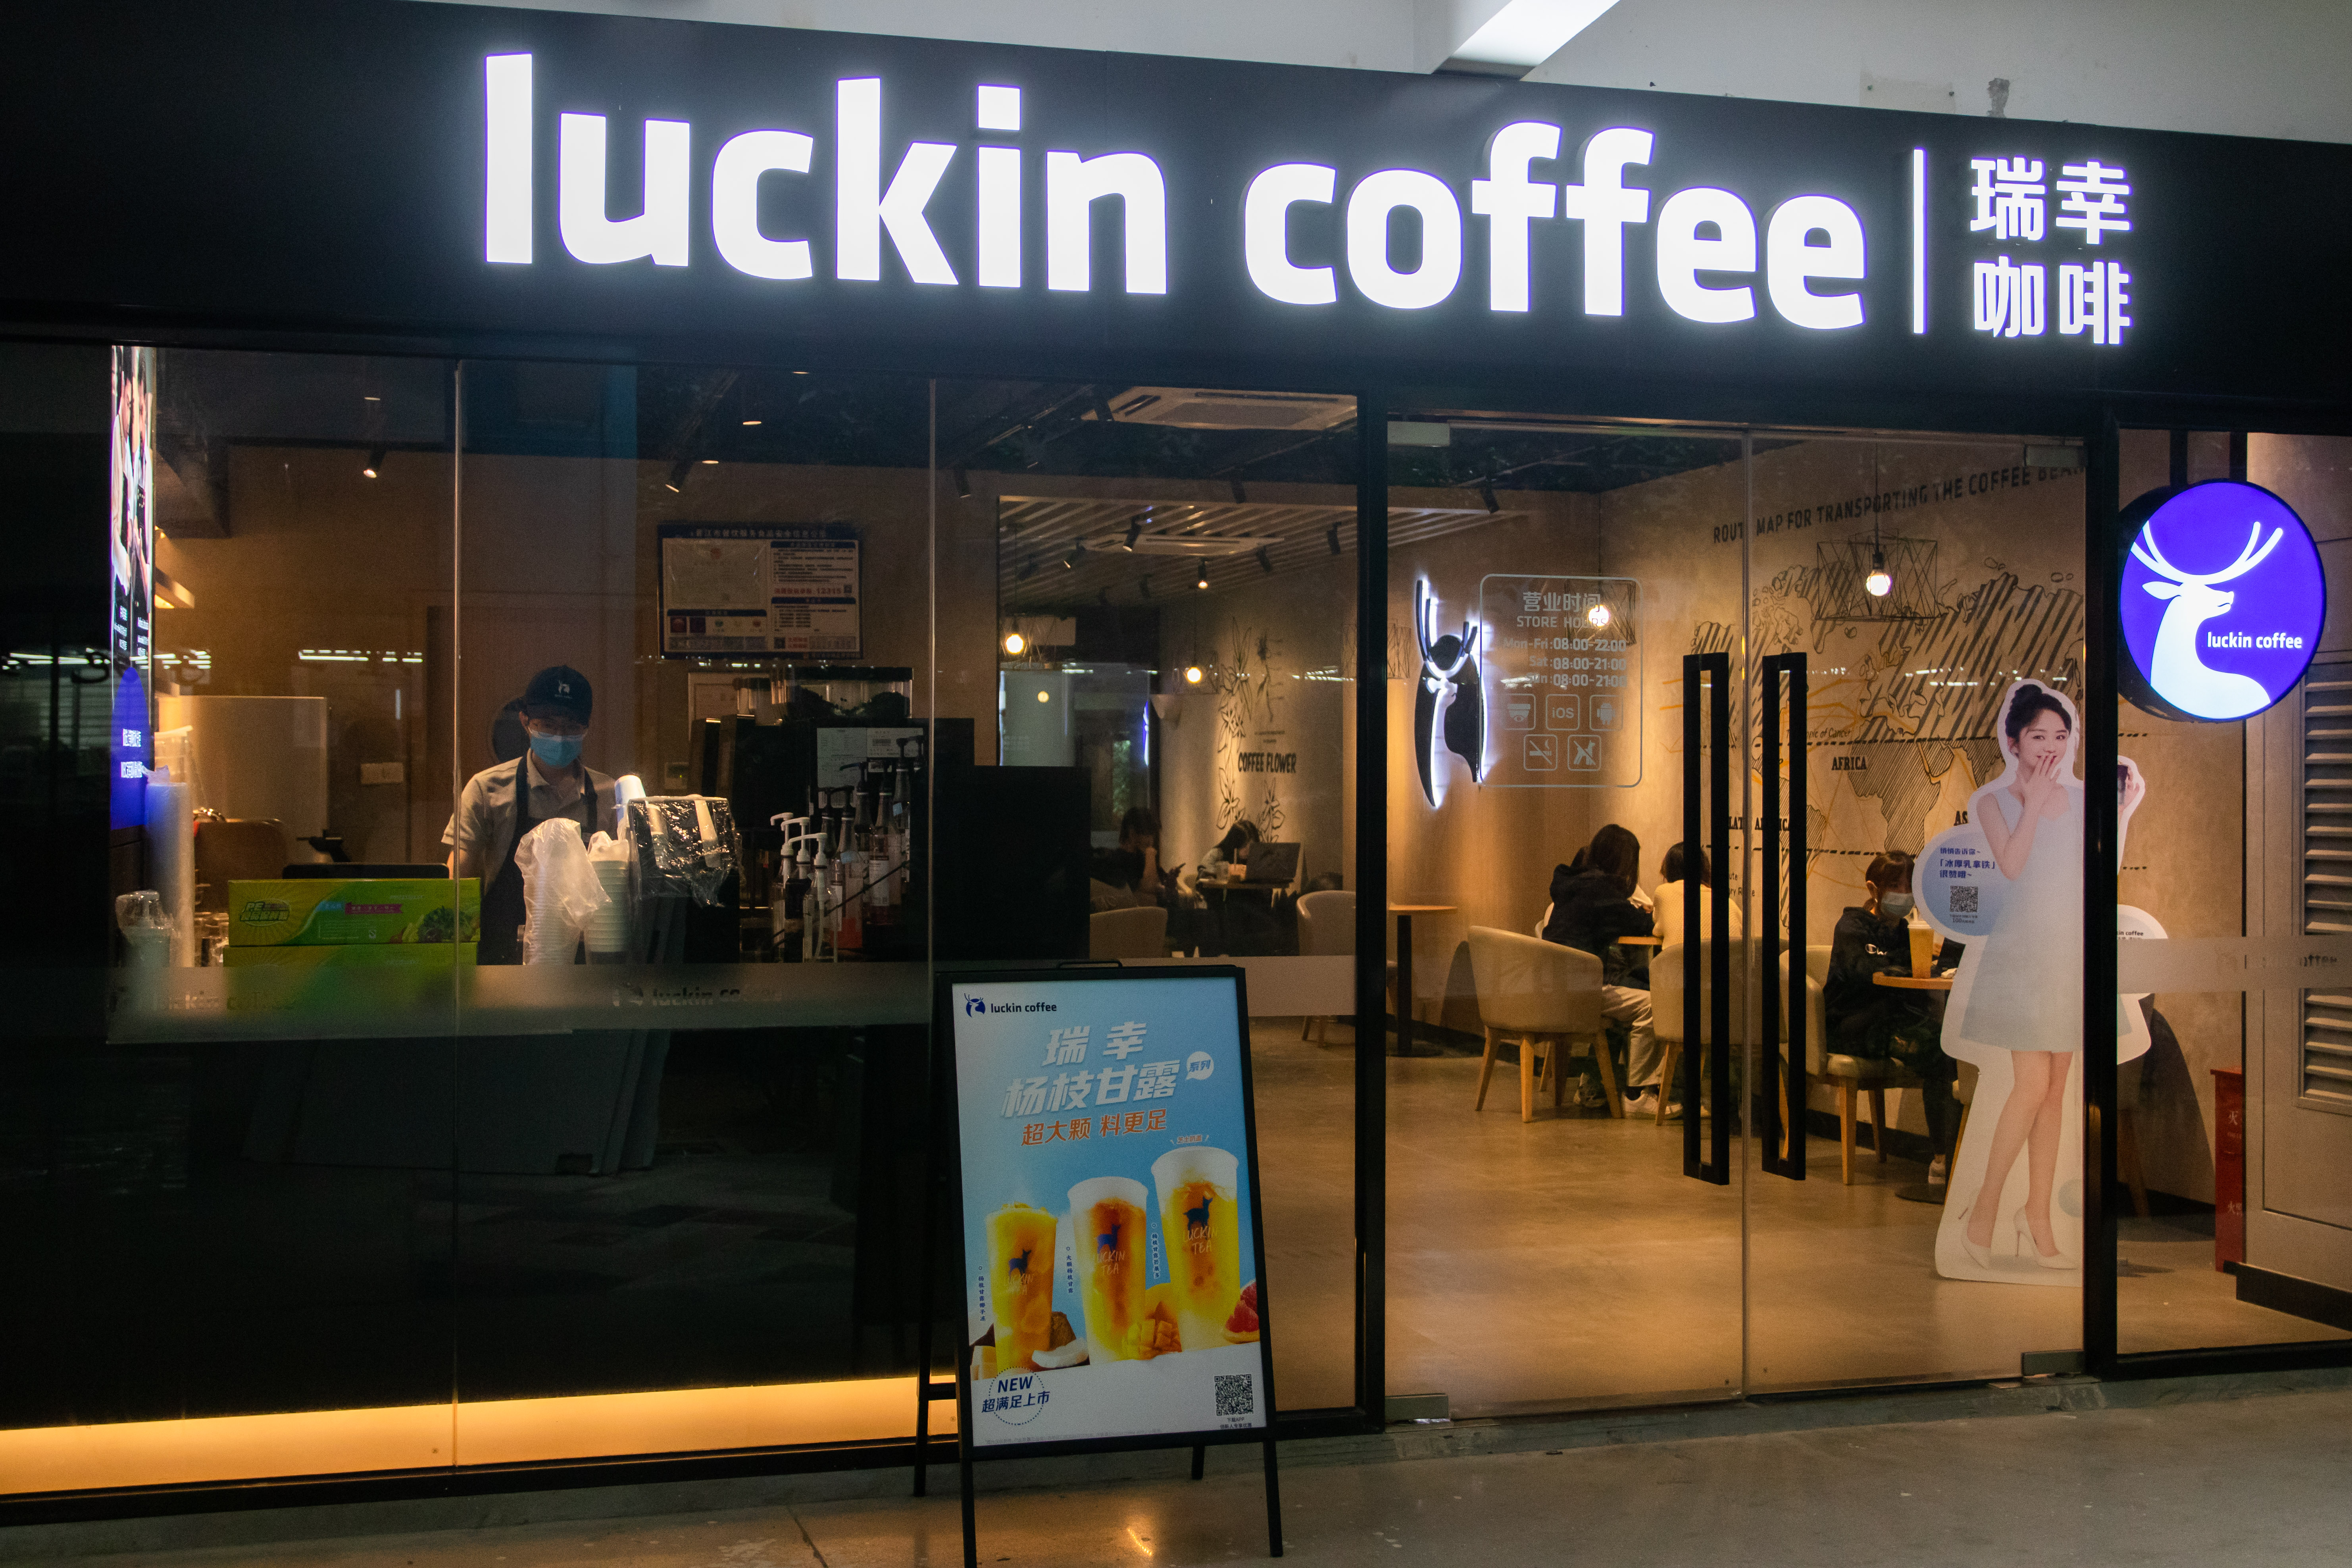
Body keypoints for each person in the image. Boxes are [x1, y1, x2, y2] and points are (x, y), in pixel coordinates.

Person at [1948, 681, 2128, 1269]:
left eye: (2059, 735)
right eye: (2037, 737)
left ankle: (2036, 1216)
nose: (2051, 746)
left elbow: (2096, 875)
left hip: (2069, 952)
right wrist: (2031, 802)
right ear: (2013, 742)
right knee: (2030, 1085)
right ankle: (1983, 1213)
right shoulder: (1993, 802)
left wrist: (2120, 813)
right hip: (2023, 956)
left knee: (2054, 1091)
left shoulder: (2080, 799)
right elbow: (2012, 865)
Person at [445, 665, 617, 965]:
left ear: (586, 729)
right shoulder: (487, 789)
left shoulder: (608, 794)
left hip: (587, 962)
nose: (560, 736)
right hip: (504, 959)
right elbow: (458, 882)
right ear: (525, 722)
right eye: (548, 724)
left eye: (571, 727)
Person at [1824, 850, 1964, 1176]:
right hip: (1853, 1026)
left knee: (1949, 1048)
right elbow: (1863, 972)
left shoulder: (1906, 931)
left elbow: (1906, 975)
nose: (1903, 893)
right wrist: (1902, 967)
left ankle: (1953, 1156)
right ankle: (1942, 1161)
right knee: (1938, 1053)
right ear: (1873, 889)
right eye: (1895, 885)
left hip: (1892, 1021)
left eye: (1909, 886)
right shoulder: (1851, 926)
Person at [1540, 824, 1661, 1114]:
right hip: (1581, 990)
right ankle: (1637, 1096)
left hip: (1553, 988)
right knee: (1653, 1004)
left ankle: (1593, 1084)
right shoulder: (1600, 889)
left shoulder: (1572, 884)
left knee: (1628, 992)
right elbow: (1642, 925)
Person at [1650, 841, 1744, 947]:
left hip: (1680, 957)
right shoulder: (1730, 904)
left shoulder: (1663, 892)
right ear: (1705, 869)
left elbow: (1658, 930)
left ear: (1668, 870)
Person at [1091, 806, 1171, 902]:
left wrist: (1170, 882)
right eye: (1148, 834)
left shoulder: (1140, 858)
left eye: (1153, 835)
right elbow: (1149, 887)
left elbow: (1162, 884)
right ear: (1132, 833)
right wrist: (1150, 853)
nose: (1152, 840)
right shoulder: (1116, 861)